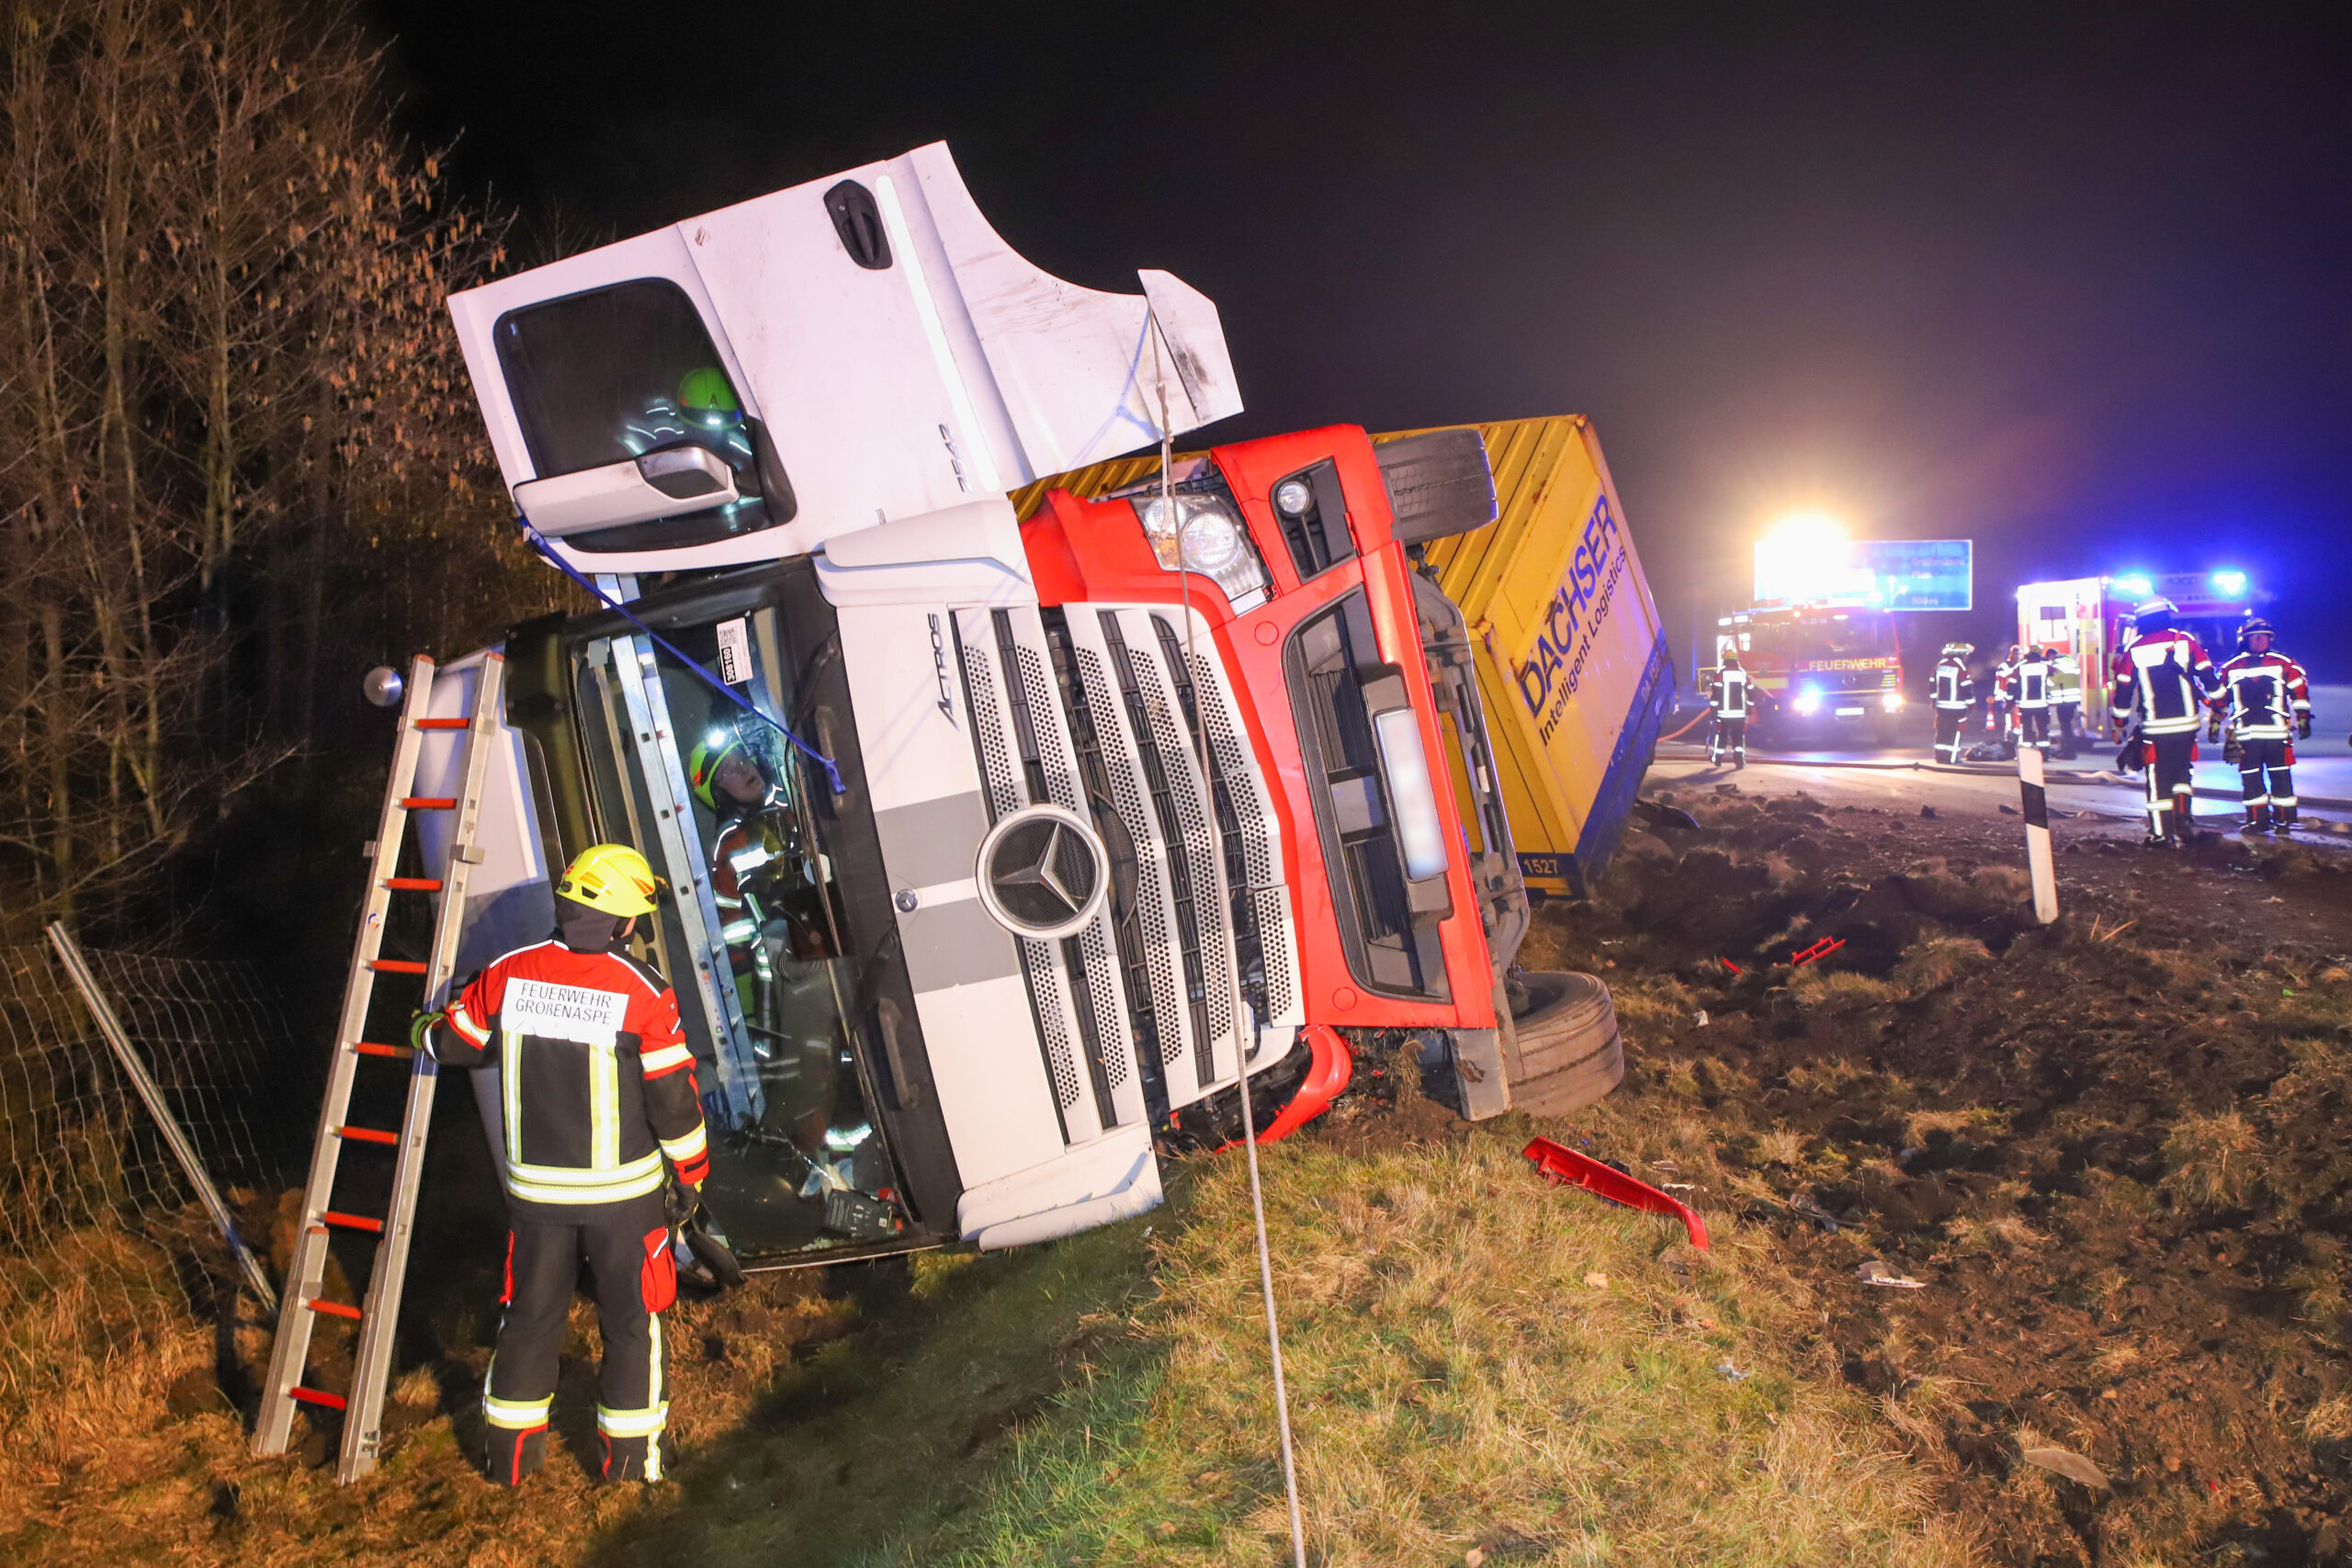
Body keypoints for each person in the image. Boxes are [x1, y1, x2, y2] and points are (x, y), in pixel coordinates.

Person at [413, 844, 709, 1486]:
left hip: (534, 1198)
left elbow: (454, 1043)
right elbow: (674, 1101)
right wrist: (689, 1177)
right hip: (624, 1202)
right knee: (632, 1325)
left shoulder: (508, 972)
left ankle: (510, 1464)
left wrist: (420, 1030)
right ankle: (633, 1469)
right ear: (624, 923)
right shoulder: (643, 991)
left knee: (528, 1320)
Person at [2110, 597, 2222, 848]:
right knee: (2182, 773)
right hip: (2187, 726)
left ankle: (2162, 835)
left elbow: (2124, 692)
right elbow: (2208, 676)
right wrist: (2219, 704)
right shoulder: (2184, 641)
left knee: (2158, 780)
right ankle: (2183, 818)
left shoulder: (2135, 649)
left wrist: (2119, 723)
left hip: (2155, 728)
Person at [2211, 616, 2313, 834]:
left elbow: (2299, 690)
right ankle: (2258, 821)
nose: (2258, 641)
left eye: (2263, 637)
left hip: (2277, 733)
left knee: (2281, 777)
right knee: (2251, 778)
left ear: (2270, 639)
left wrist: (2303, 716)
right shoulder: (2231, 668)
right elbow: (2220, 698)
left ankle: (2284, 821)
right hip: (2246, 735)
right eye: (2254, 637)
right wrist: (2214, 722)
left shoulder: (2283, 663)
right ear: (2245, 640)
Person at [1930, 641, 1975, 764]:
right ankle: (1952, 757)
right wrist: (1971, 705)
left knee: (1942, 732)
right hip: (1957, 708)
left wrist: (1934, 701)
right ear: (1959, 655)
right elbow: (1966, 688)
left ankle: (1940, 757)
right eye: (1965, 654)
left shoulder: (1939, 665)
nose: (1966, 657)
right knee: (1954, 733)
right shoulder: (1960, 668)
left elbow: (1932, 685)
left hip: (1941, 707)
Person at [1708, 653, 1752, 769]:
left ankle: (1717, 759)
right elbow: (1751, 691)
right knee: (1738, 737)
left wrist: (1713, 707)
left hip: (1723, 714)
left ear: (1725, 660)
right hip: (1739, 714)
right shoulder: (1742, 672)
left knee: (1721, 736)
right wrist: (1750, 707)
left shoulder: (1721, 672)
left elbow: (1716, 692)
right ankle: (1739, 761)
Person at [2015, 645, 2055, 752]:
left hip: (2026, 705)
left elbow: (2014, 682)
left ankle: (2027, 752)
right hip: (2041, 704)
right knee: (2042, 729)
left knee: (2026, 729)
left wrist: (2014, 698)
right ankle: (2044, 753)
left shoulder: (2021, 667)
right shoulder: (2044, 667)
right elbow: (2054, 672)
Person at [1986, 644, 2021, 757]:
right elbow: (2001, 683)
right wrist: (1999, 697)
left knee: (2018, 723)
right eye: (2017, 654)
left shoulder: (2020, 665)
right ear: (2011, 654)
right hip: (2008, 699)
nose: (2019, 656)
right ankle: (2010, 745)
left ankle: (2017, 745)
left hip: (2019, 699)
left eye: (2020, 654)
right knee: (2010, 723)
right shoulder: (2004, 667)